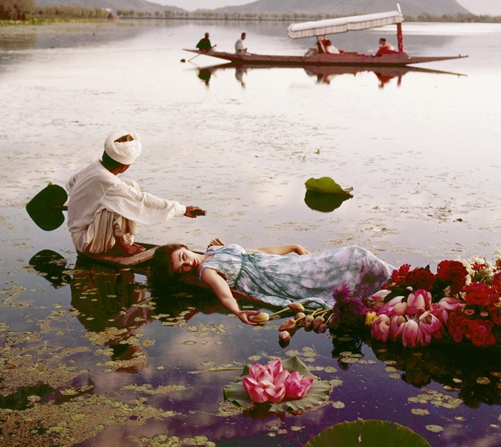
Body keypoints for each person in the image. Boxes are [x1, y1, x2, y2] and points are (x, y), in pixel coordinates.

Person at [150, 242, 394, 324]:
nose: (187, 263)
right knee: (353, 256)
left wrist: (292, 247)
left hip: (277, 265)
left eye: (183, 256)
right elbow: (223, 292)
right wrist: (237, 311)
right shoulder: (206, 271)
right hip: (276, 279)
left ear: (183, 246)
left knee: (354, 253)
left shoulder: (213, 250)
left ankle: (396, 280)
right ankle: (390, 289)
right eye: (181, 268)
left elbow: (255, 251)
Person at [66, 131, 206, 256]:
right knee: (121, 200)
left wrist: (83, 203)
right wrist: (182, 210)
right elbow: (141, 200)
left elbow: (71, 184)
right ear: (125, 166)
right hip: (86, 242)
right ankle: (119, 245)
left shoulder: (93, 167)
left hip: (83, 233)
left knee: (129, 186)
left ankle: (122, 240)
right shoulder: (108, 183)